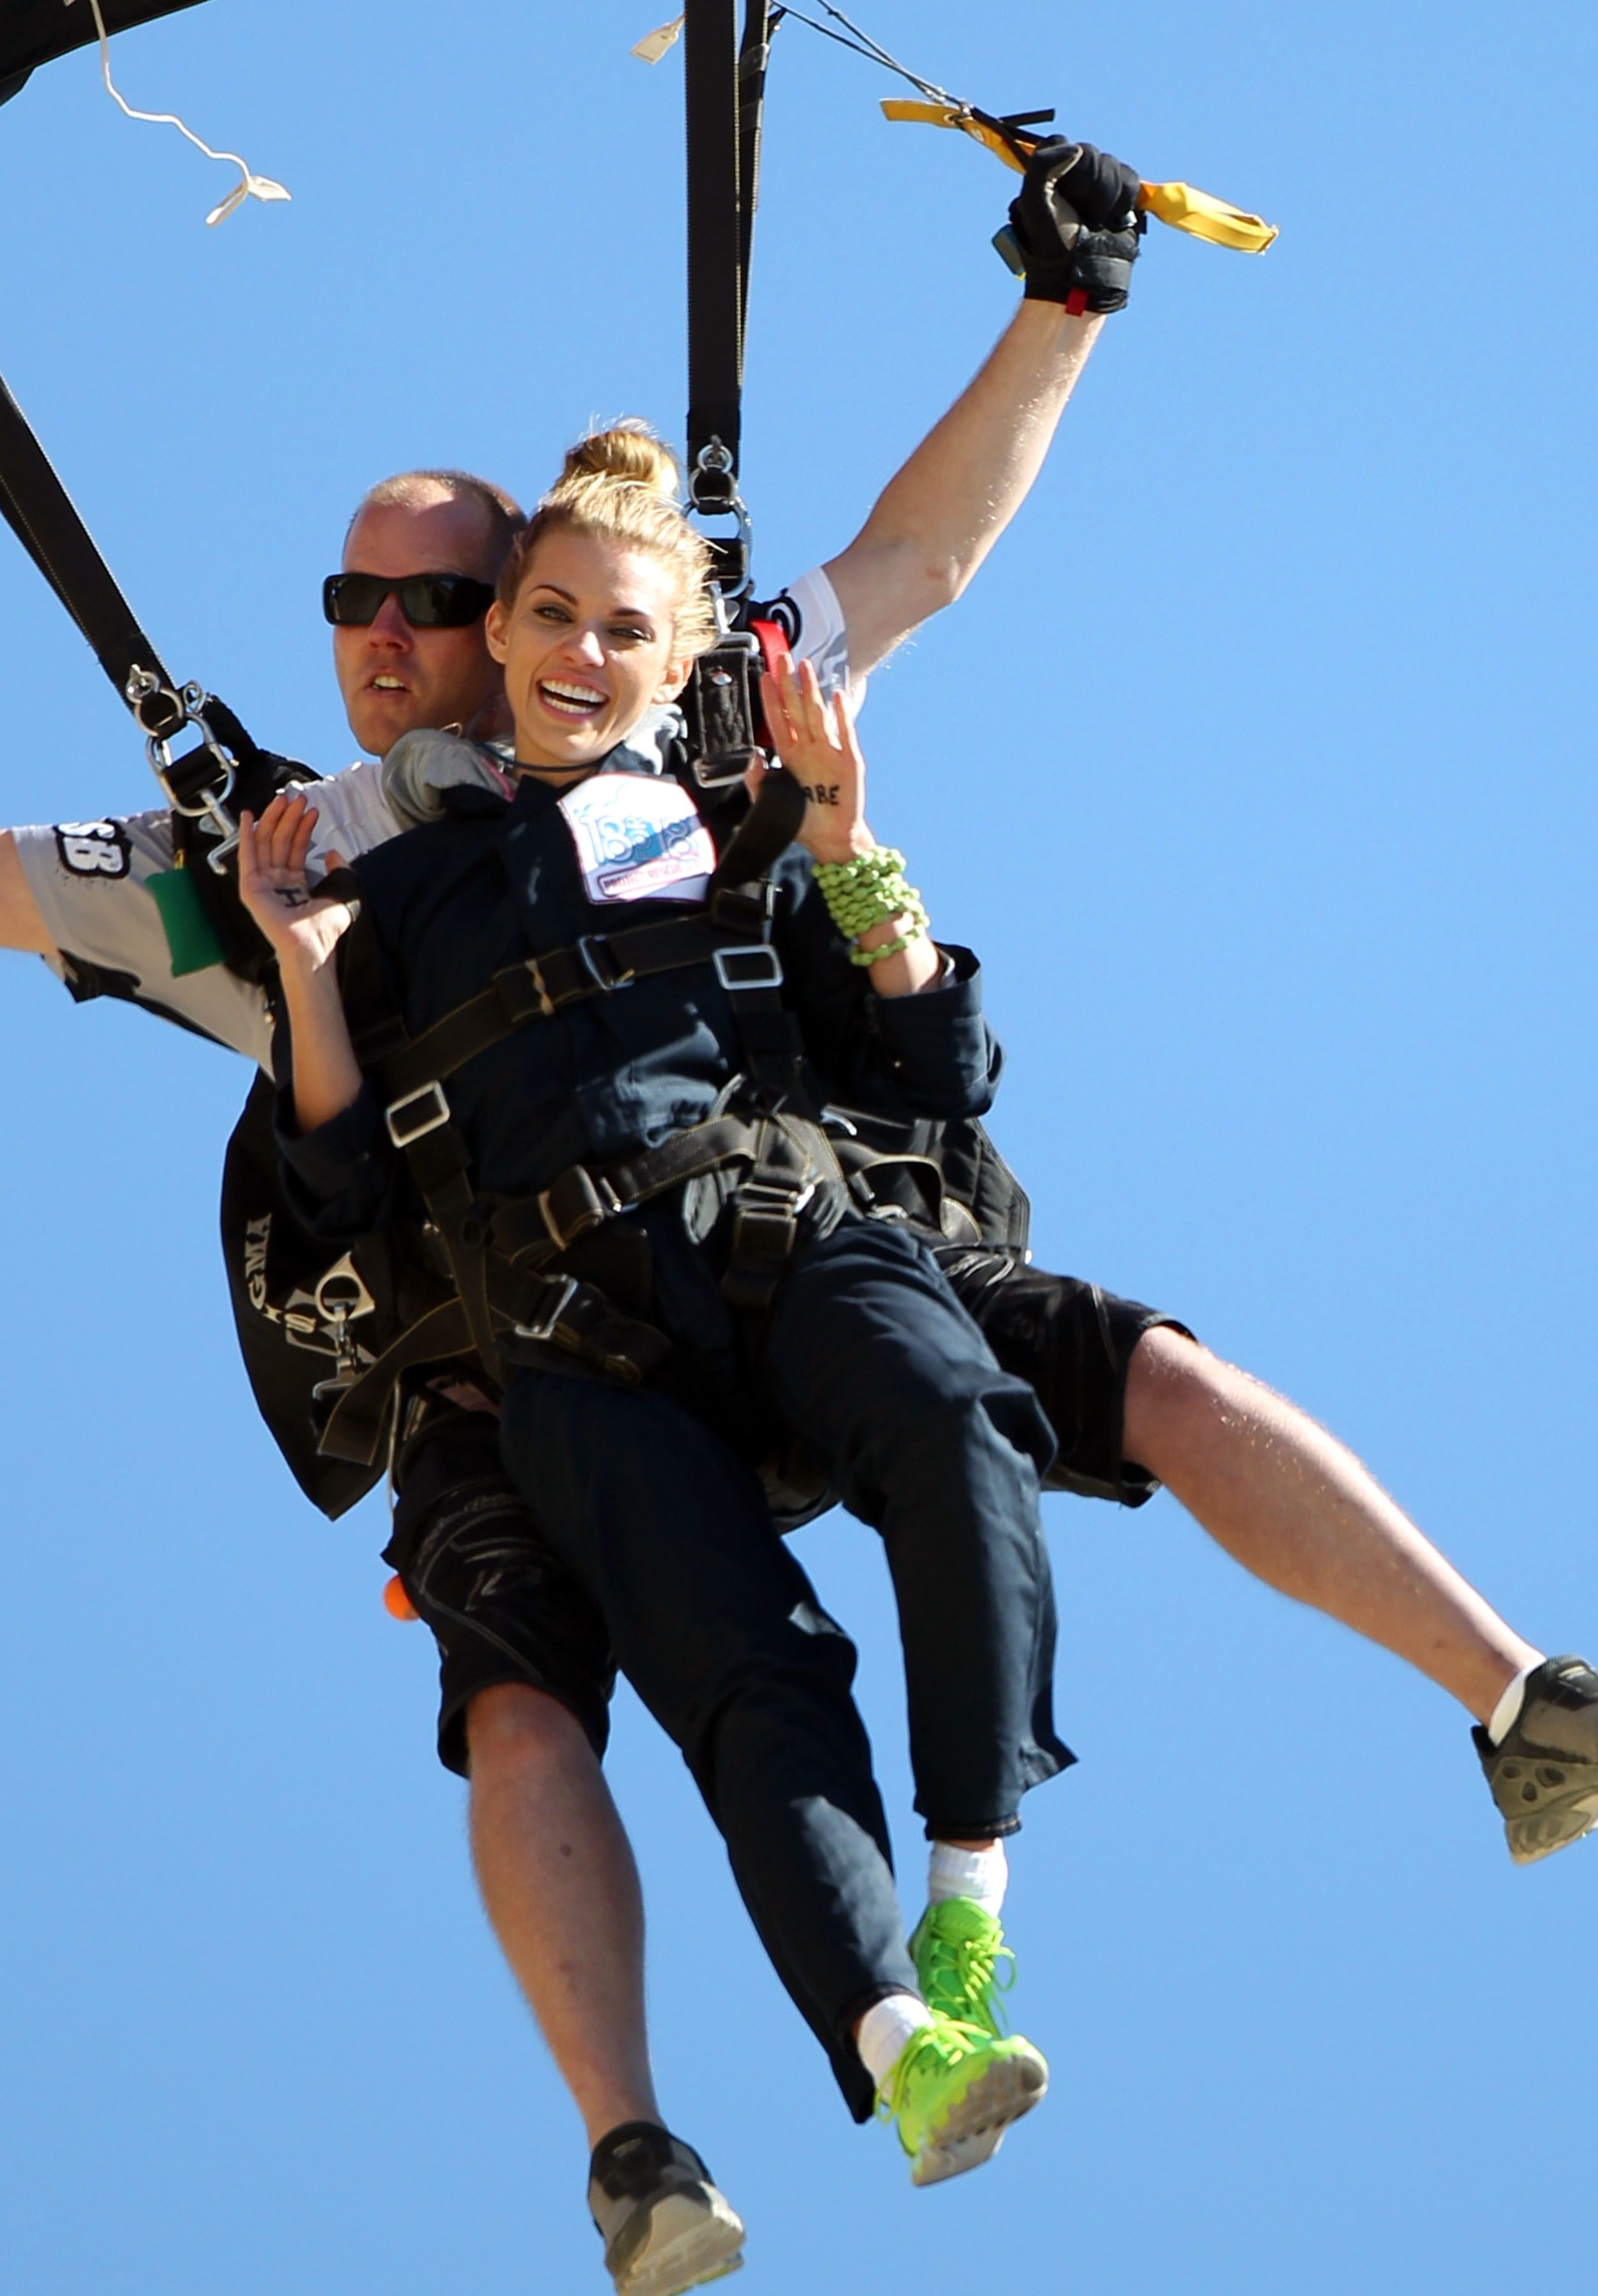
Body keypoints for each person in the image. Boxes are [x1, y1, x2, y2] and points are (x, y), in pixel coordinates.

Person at [242, 434, 1066, 2194]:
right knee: (741, 1679)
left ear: (677, 662)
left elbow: (935, 1064)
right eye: (544, 616)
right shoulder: (374, 865)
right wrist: (304, 969)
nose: (574, 654)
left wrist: (852, 843)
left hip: (765, 1234)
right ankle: (895, 2047)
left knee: (955, 1417)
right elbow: (330, 1194)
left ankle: (966, 1917)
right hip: (564, 1340)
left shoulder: (730, 805)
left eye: (617, 628)